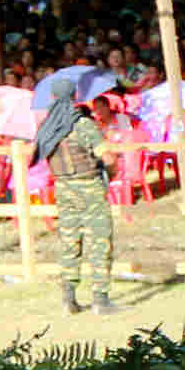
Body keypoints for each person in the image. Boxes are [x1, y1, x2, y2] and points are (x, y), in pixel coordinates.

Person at [33, 80, 120, 313]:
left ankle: (68, 299)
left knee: (70, 242)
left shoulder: (46, 127)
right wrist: (110, 174)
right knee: (100, 240)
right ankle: (100, 300)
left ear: (52, 97)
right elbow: (108, 158)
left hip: (62, 188)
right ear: (74, 96)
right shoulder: (82, 124)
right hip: (88, 185)